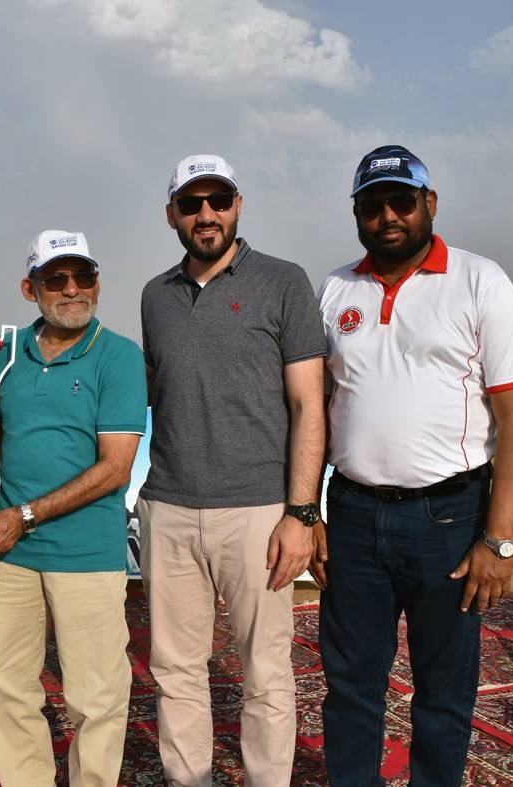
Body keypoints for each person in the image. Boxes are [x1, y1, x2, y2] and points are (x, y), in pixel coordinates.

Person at [313, 145, 513, 785]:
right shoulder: (336, 289)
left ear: (428, 204)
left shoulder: (479, 280)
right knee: (351, 683)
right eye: (372, 204)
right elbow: (313, 410)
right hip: (353, 514)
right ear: (356, 213)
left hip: (449, 518)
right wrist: (307, 510)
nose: (387, 216)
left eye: (401, 201)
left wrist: (499, 538)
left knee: (442, 687)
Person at [139, 155, 328, 786]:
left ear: (238, 205)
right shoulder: (155, 296)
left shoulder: (283, 281)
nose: (206, 214)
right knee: (175, 671)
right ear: (173, 215)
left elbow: (308, 404)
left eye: (218, 200)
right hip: (167, 508)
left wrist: (301, 514)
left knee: (267, 673)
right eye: (191, 204)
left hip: (256, 512)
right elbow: (157, 392)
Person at [0, 230, 147, 786]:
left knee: (96, 696)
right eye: (56, 278)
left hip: (86, 552)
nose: (73, 289)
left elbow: (116, 467)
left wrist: (22, 517)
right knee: (4, 688)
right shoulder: (4, 356)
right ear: (31, 288)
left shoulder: (118, 356)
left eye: (83, 276)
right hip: (10, 554)